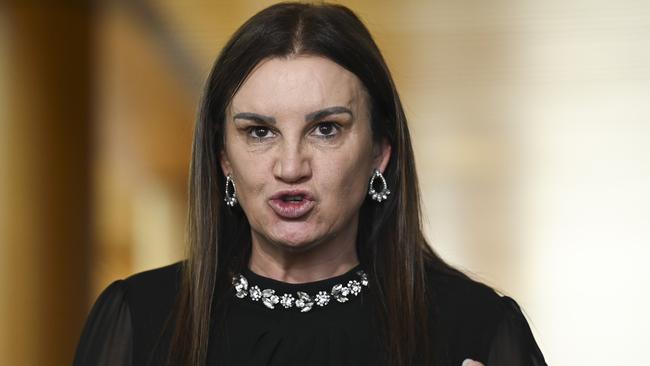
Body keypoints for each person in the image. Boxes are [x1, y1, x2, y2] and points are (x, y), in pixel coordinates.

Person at [73, 3, 547, 366]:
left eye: (326, 129)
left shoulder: (475, 326)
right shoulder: (140, 319)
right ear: (223, 159)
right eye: (259, 132)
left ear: (380, 151)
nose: (291, 165)